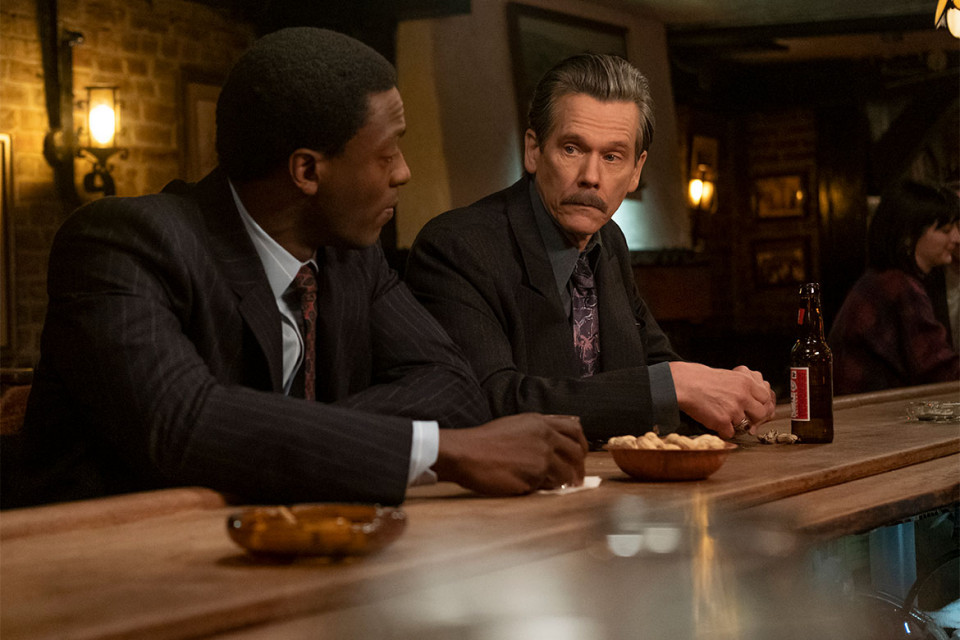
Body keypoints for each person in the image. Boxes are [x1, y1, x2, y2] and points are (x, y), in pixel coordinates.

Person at [3, 28, 587, 510]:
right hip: (95, 567)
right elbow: (183, 424)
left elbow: (454, 391)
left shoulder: (351, 255)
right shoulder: (122, 245)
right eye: (387, 152)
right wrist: (441, 451)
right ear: (307, 171)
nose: (404, 172)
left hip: (269, 557)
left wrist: (278, 438)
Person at [405, 53, 776, 443]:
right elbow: (489, 402)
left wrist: (729, 392)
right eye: (572, 149)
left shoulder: (609, 239)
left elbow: (656, 366)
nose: (591, 177)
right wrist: (676, 384)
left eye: (612, 157)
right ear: (533, 150)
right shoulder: (457, 247)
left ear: (635, 171)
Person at [829, 179, 960, 395]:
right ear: (909, 236)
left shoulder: (884, 278)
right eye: (945, 230)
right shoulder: (899, 286)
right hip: (867, 410)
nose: (956, 238)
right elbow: (938, 368)